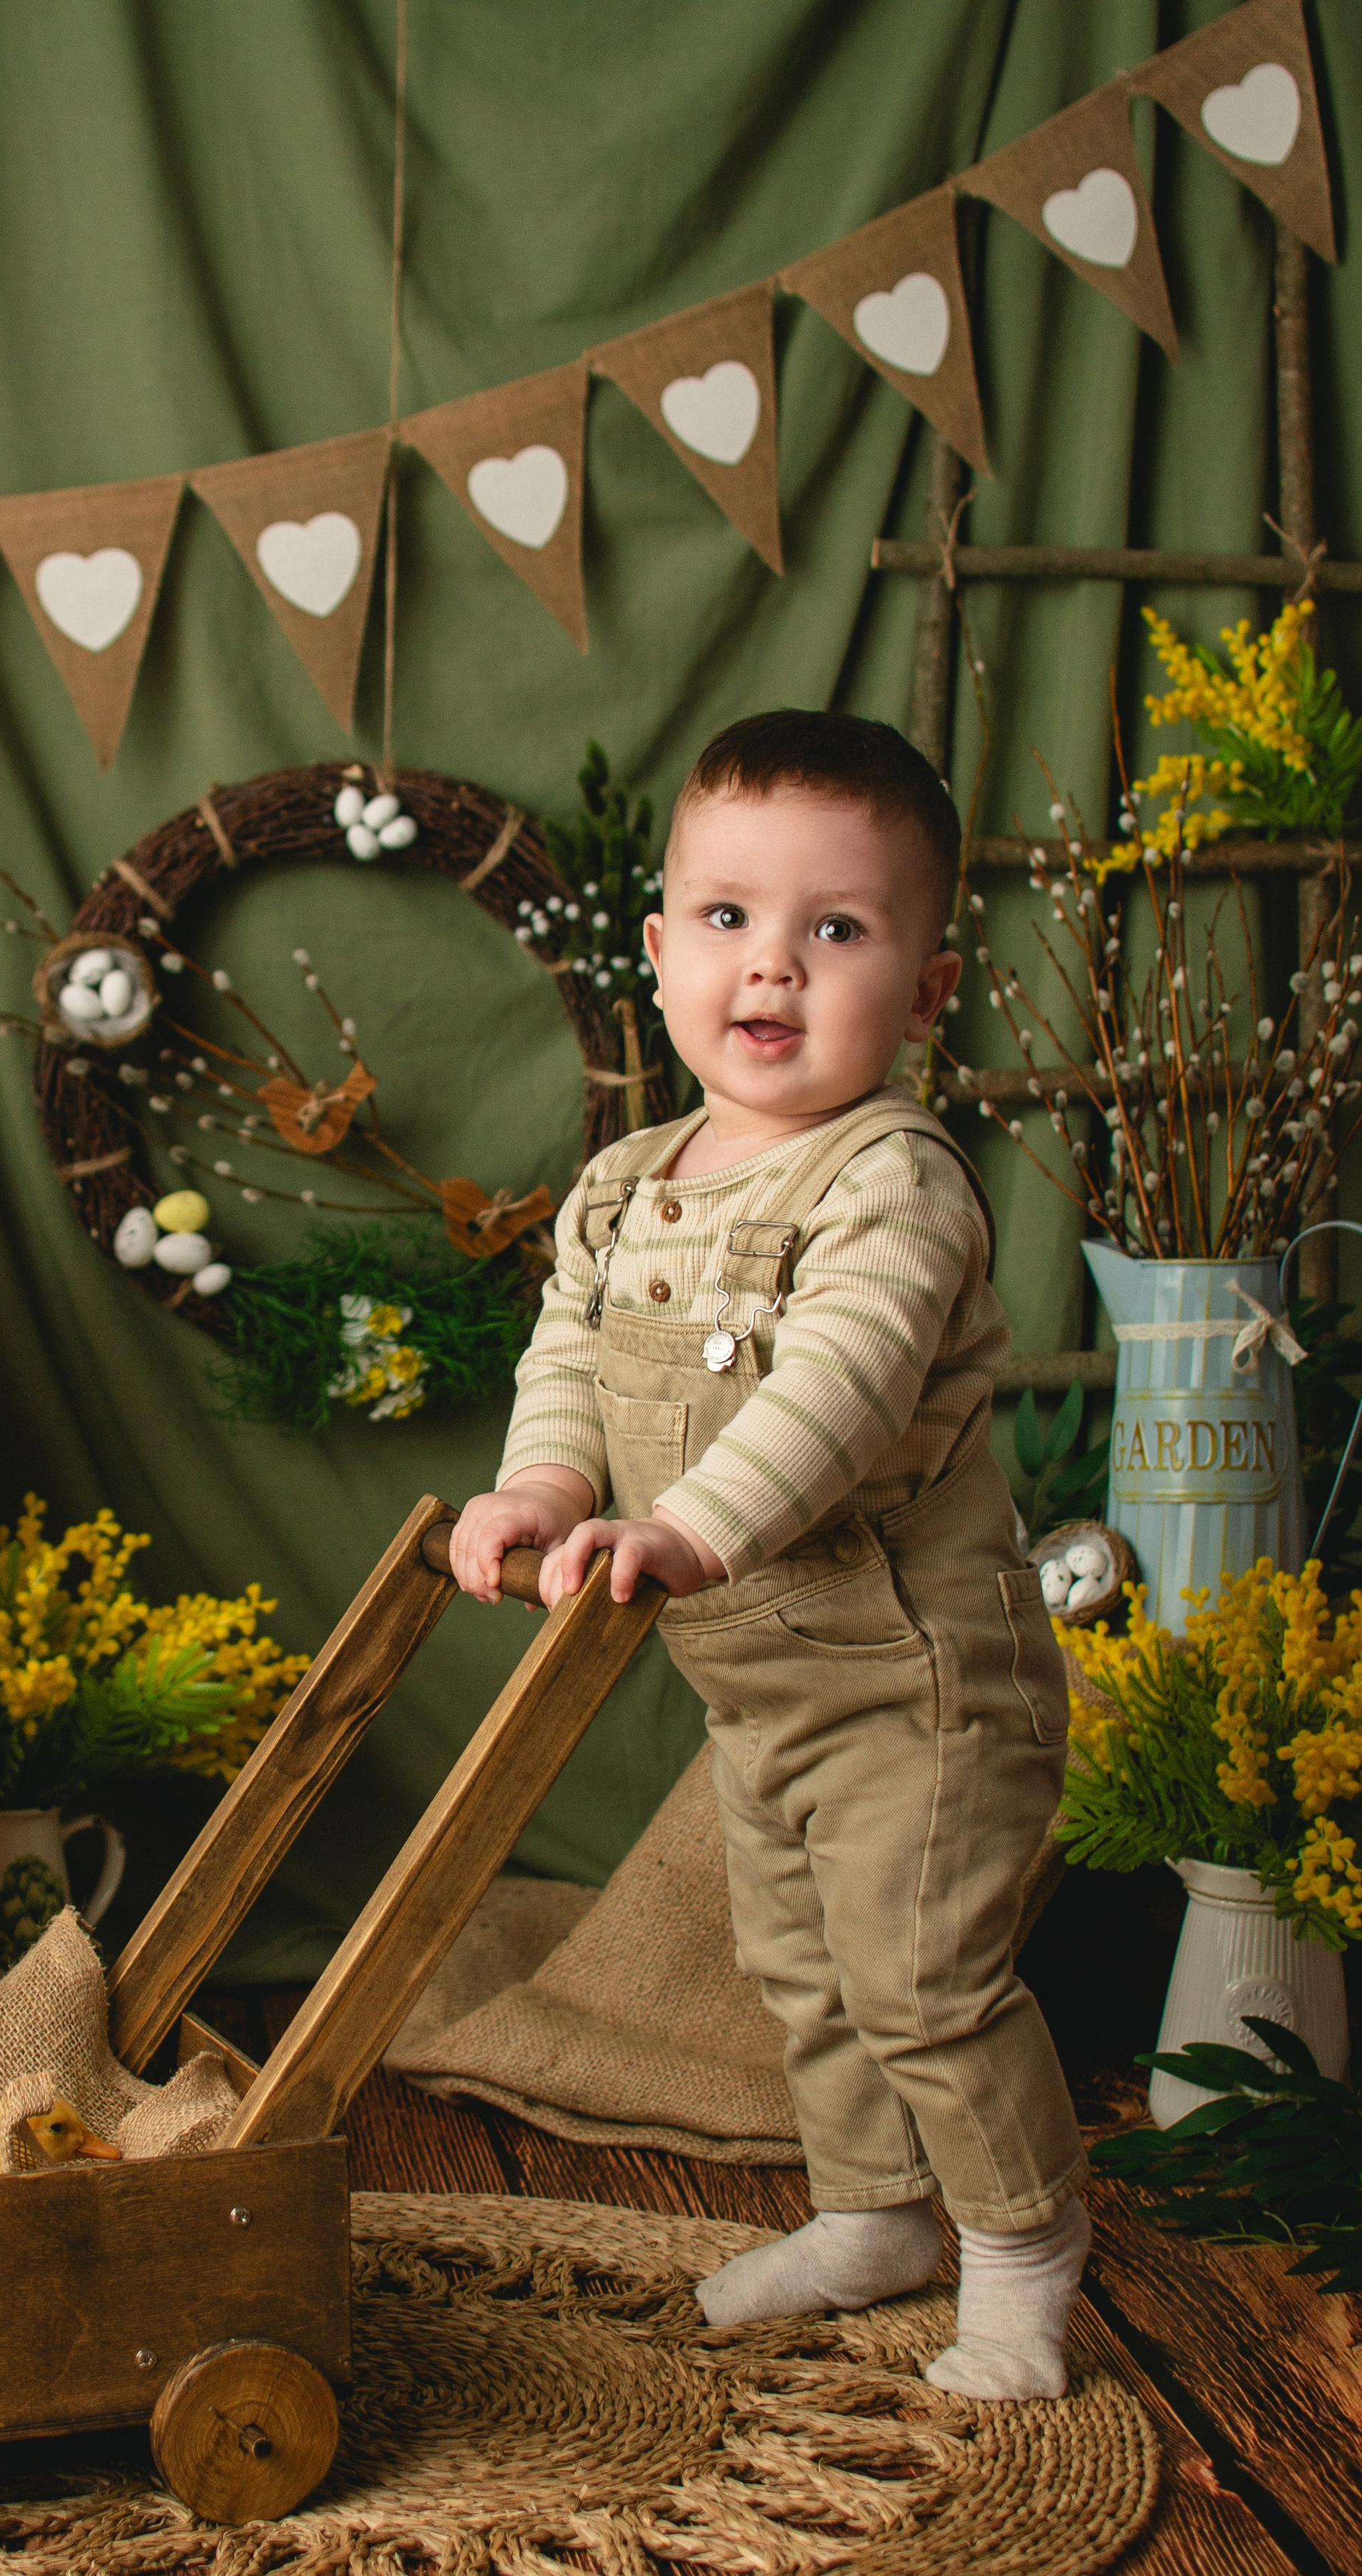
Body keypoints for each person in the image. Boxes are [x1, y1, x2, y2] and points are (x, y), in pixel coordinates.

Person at [451, 710, 1088, 2401]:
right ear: (658, 949)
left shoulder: (894, 1183)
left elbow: (838, 1391)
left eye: (836, 928)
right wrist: (541, 1484)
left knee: (922, 1980)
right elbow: (569, 1359)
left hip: (916, 1682)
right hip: (758, 1689)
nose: (771, 965)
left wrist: (682, 1529)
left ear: (926, 990)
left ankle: (1022, 2252)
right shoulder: (621, 1187)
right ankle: (871, 2216)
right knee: (798, 1972)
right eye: (727, 917)